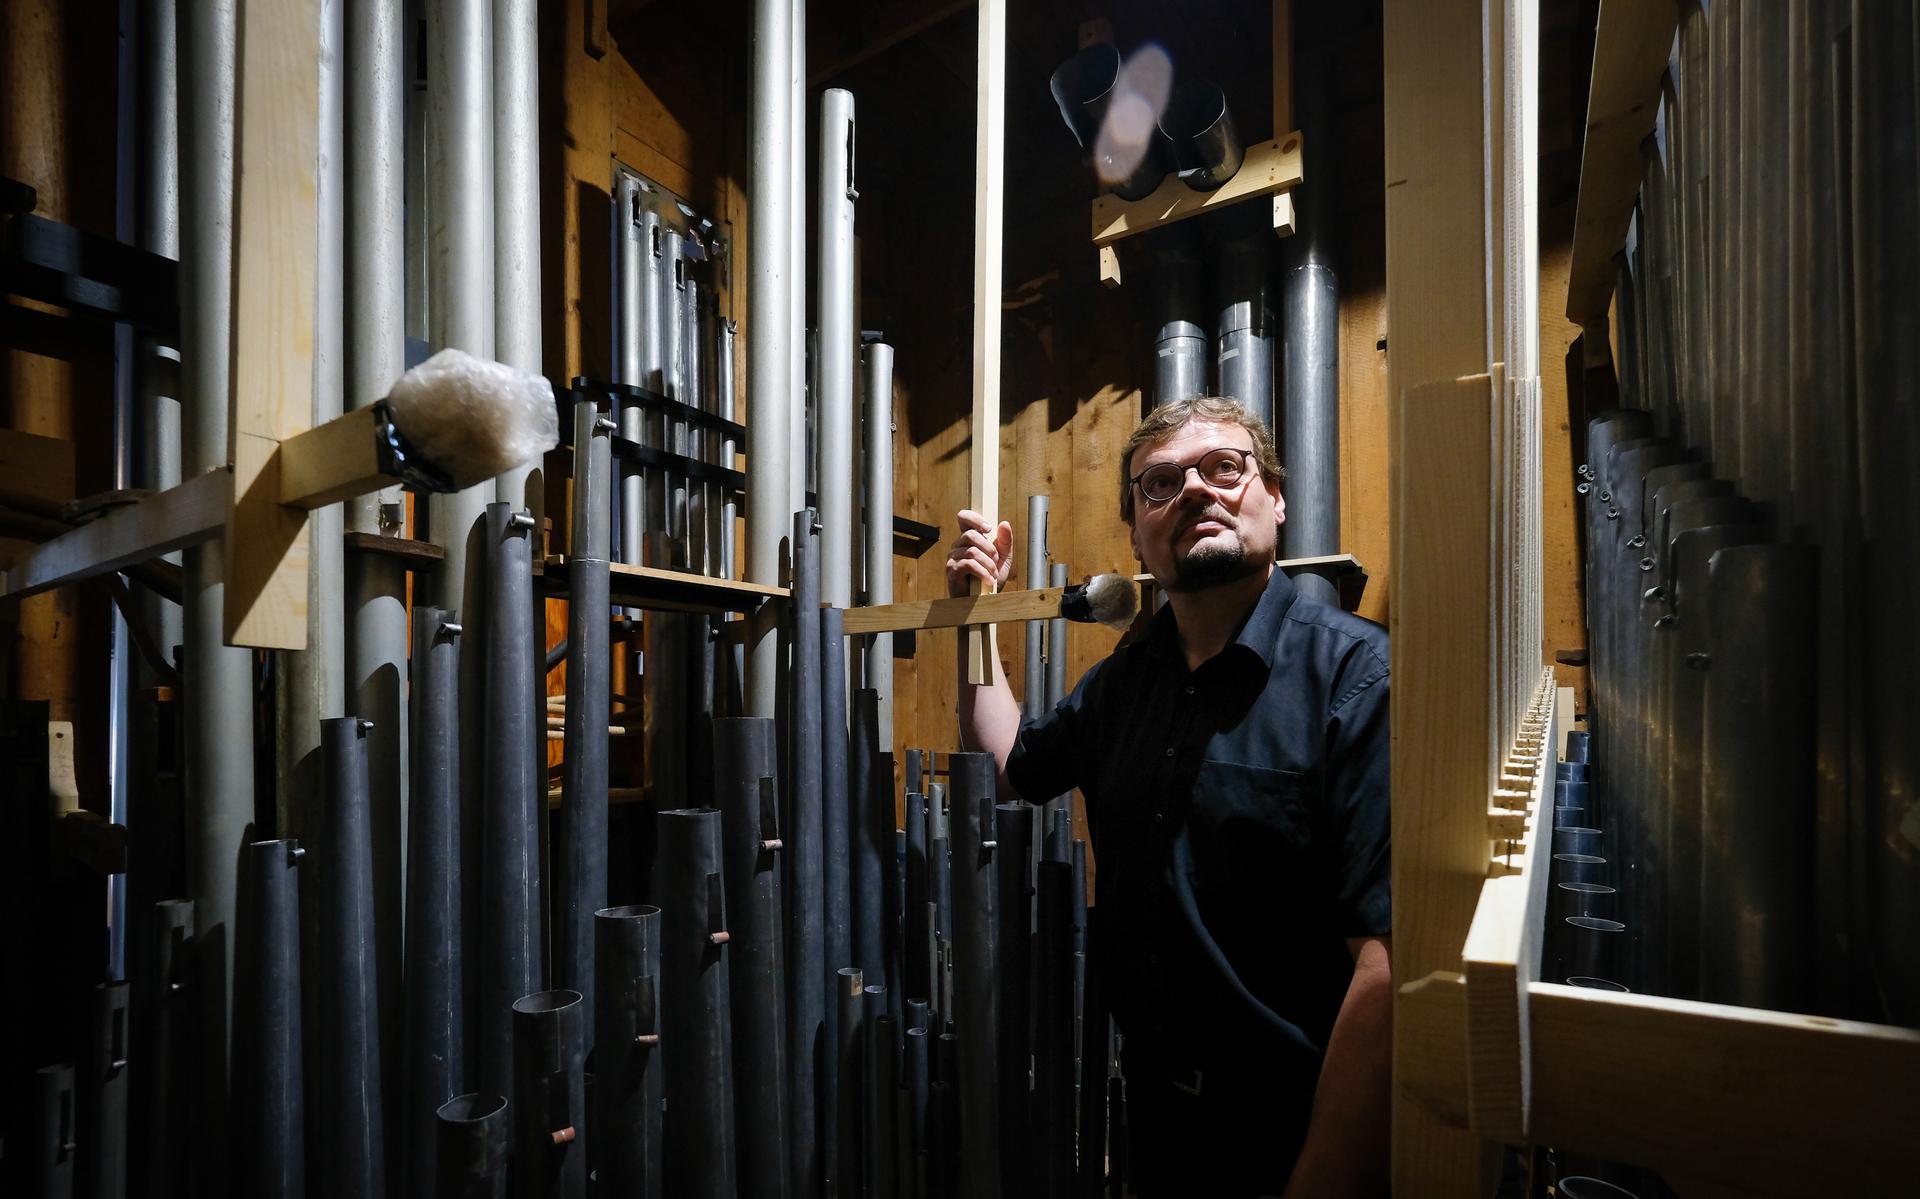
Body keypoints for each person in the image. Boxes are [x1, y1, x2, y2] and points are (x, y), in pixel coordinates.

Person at [947, 396, 1392, 1197]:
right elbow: (1010, 763)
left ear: (1276, 498)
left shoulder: (1357, 676)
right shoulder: (1125, 681)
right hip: (1150, 1121)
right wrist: (973, 618)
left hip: (1297, 1130)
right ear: (1136, 533)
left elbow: (1389, 964)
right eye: (1160, 483)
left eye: (1224, 467)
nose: (1193, 490)